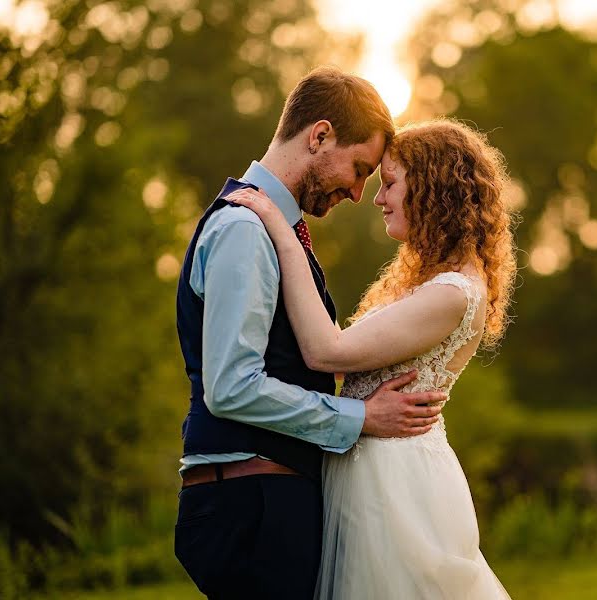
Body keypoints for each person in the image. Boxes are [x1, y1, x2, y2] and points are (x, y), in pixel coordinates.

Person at [174, 66, 447, 600]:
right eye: (359, 168)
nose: (357, 191)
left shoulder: (273, 228)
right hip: (252, 502)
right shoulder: (244, 229)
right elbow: (231, 386)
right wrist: (362, 417)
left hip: (263, 493)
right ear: (319, 136)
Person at [227, 117, 517, 598]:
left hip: (395, 480)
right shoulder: (427, 280)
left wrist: (279, 229)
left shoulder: (452, 292)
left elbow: (327, 351)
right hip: (370, 465)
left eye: (389, 183)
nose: (377, 198)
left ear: (432, 188)